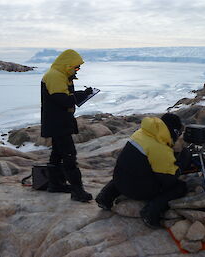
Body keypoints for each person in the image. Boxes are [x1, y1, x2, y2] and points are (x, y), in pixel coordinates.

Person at [95, 113, 188, 228]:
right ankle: (150, 212)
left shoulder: (142, 133)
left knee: (130, 169)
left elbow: (146, 158)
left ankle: (105, 197)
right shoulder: (160, 148)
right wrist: (183, 161)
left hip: (118, 179)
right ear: (174, 131)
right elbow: (169, 180)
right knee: (180, 187)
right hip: (137, 190)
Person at [41, 49, 93, 202]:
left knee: (57, 153)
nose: (77, 70)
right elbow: (64, 100)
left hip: (59, 121)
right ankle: (77, 191)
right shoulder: (55, 76)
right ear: (67, 64)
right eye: (76, 67)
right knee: (69, 156)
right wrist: (82, 95)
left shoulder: (61, 75)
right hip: (58, 122)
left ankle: (55, 184)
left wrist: (83, 93)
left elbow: (66, 97)